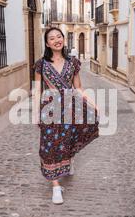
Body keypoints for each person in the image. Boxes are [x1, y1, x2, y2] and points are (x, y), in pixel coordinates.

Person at [33, 27, 100, 205]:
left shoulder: (73, 63)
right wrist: (35, 113)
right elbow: (37, 89)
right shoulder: (41, 64)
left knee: (67, 141)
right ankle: (56, 187)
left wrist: (92, 103)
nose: (56, 40)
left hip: (71, 108)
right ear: (47, 43)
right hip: (50, 109)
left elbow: (78, 87)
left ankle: (67, 162)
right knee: (49, 146)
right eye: (52, 38)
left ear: (63, 39)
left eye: (59, 36)